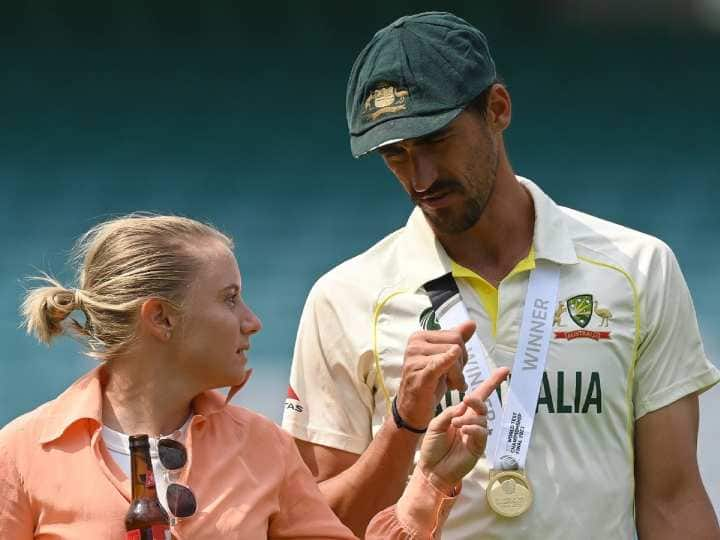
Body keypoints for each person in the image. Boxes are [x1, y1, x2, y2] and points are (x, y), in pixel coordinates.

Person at [281, 11, 720, 539]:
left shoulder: (638, 267)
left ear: (498, 108)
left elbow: (673, 501)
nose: (420, 178)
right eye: (395, 154)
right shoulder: (342, 297)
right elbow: (316, 525)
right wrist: (405, 423)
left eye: (436, 139)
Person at [0, 213, 509, 539]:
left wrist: (429, 482)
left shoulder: (265, 448)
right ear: (161, 318)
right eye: (228, 299)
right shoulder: (22, 454)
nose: (253, 320)